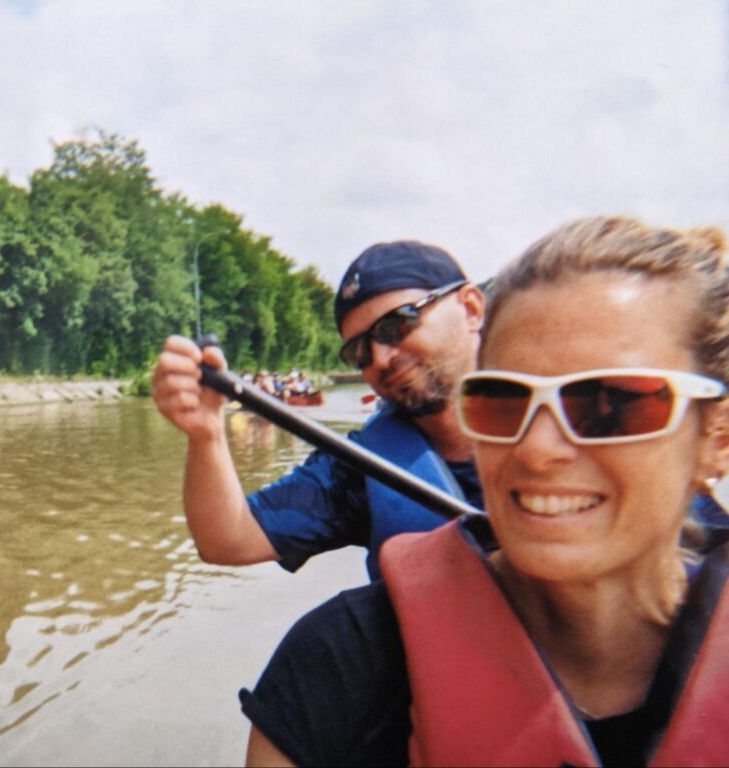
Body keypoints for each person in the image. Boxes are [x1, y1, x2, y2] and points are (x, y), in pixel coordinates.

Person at [240, 216, 729, 766]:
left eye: (608, 402)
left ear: (717, 440)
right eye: (504, 400)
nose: (537, 449)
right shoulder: (336, 668)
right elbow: (230, 540)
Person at [152, 241, 487, 580]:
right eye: (359, 352)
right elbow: (228, 541)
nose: (381, 359)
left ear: (471, 309)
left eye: (397, 325)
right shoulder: (361, 468)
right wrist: (206, 432)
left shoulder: (541, 409)